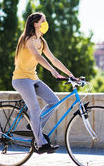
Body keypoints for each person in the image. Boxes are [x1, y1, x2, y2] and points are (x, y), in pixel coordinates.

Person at [12, 12, 74, 154]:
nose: (46, 22)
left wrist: (70, 75)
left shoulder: (42, 42)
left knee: (54, 101)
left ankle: (34, 126)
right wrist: (52, 71)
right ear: (35, 24)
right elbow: (38, 57)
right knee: (35, 109)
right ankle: (40, 144)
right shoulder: (28, 39)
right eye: (43, 20)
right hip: (21, 79)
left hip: (33, 78)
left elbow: (54, 59)